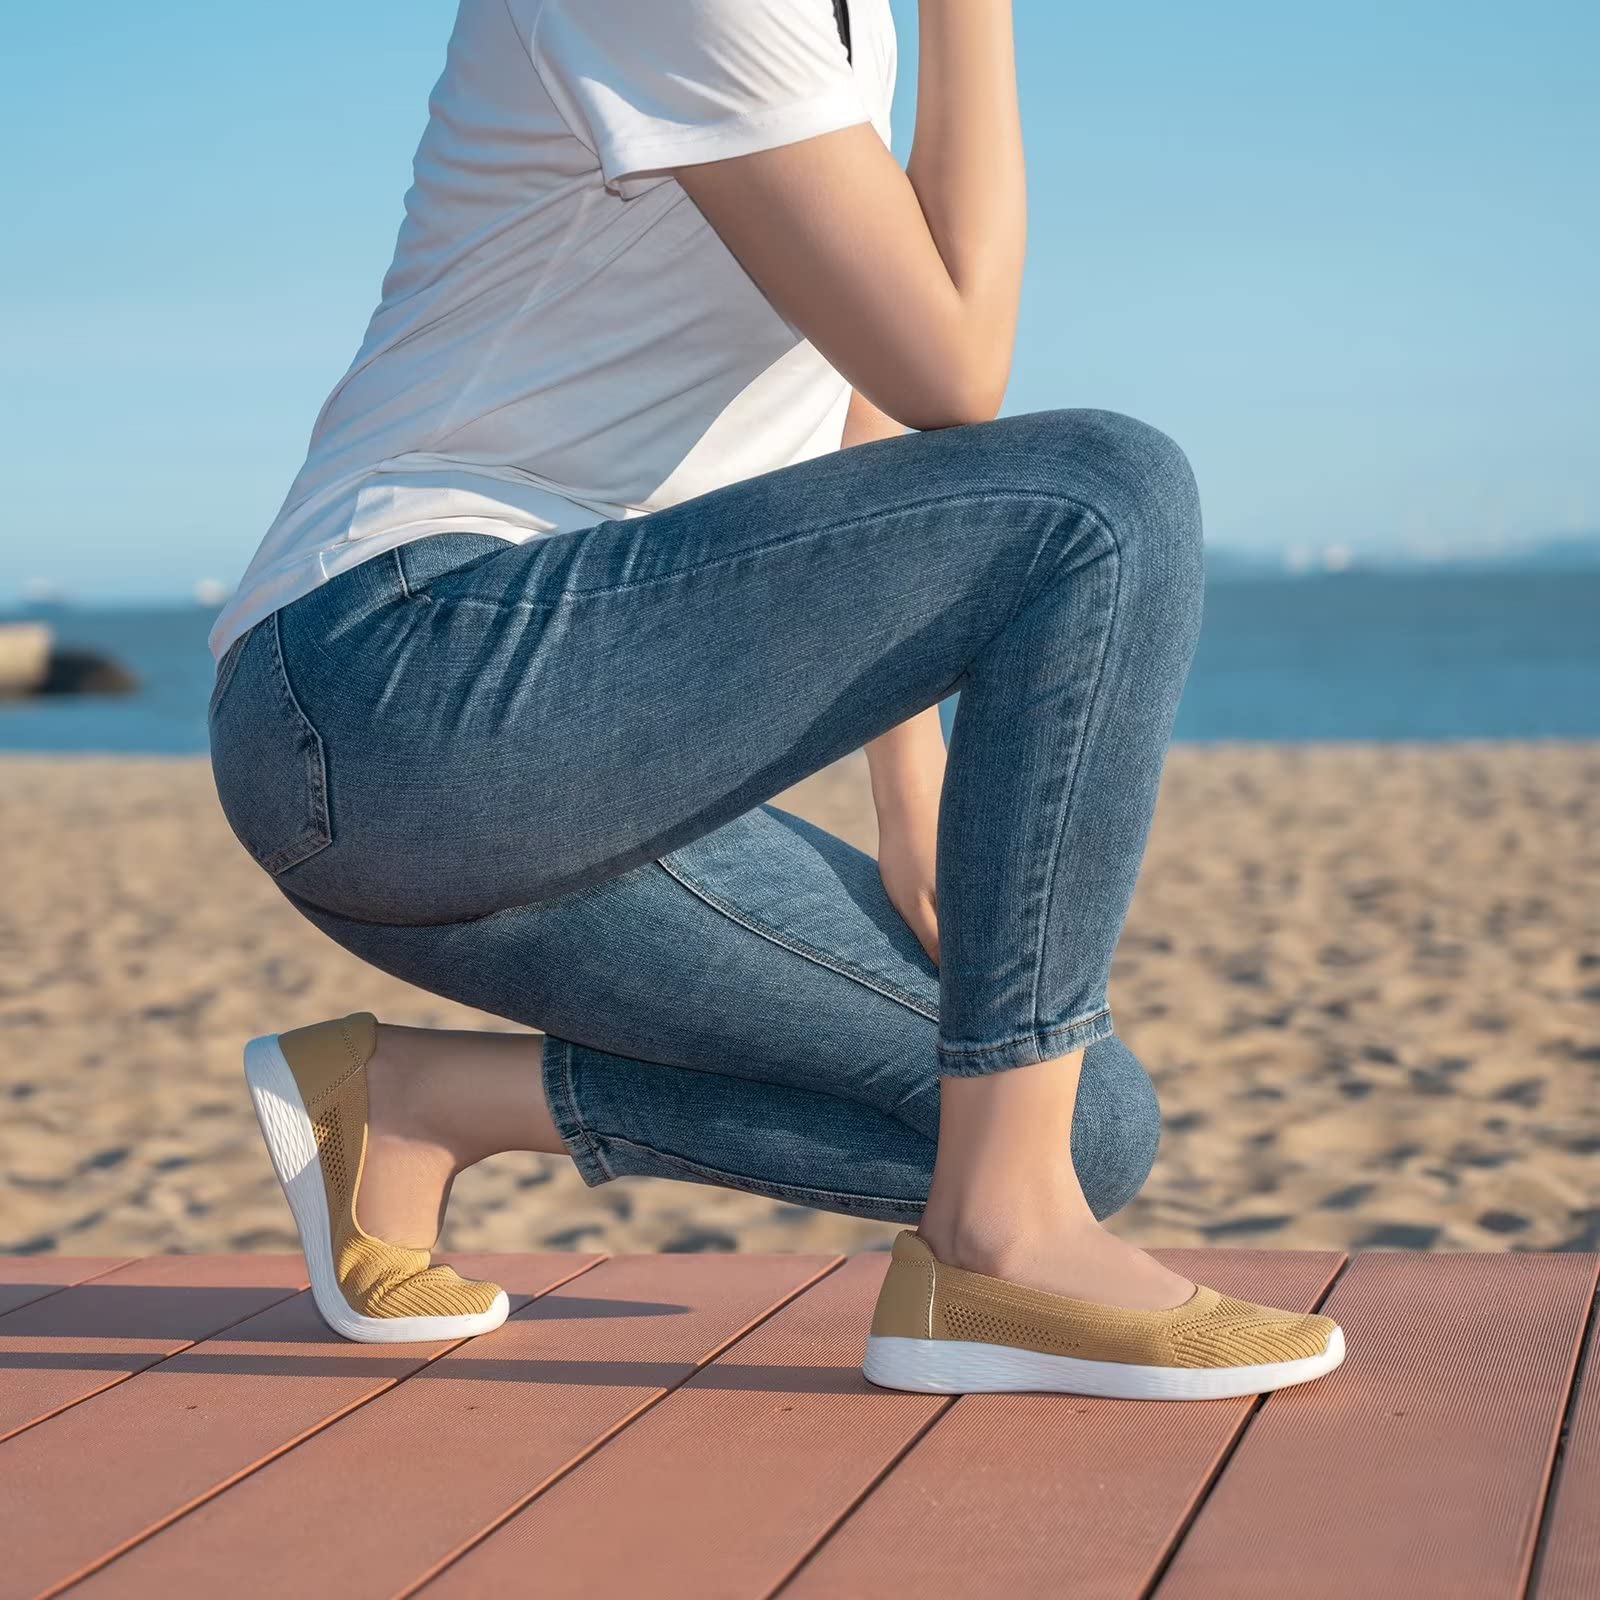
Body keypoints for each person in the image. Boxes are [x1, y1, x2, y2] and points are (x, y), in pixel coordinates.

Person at [207, 0, 1343, 1397]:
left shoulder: (840, 24)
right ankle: (1001, 1254)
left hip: (571, 751)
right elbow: (951, 366)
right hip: (395, 682)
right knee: (1108, 499)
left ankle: (414, 1105)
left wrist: (915, 802)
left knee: (1063, 1117)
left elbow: (877, 433)